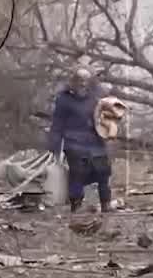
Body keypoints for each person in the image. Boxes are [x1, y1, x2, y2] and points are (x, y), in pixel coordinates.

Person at [46, 67, 114, 213]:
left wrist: (108, 128)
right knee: (77, 173)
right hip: (74, 142)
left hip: (95, 141)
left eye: (86, 81)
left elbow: (107, 117)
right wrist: (54, 147)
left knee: (103, 171)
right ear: (74, 82)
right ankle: (76, 205)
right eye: (80, 81)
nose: (83, 84)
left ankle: (106, 204)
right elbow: (57, 124)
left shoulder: (97, 96)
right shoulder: (64, 99)